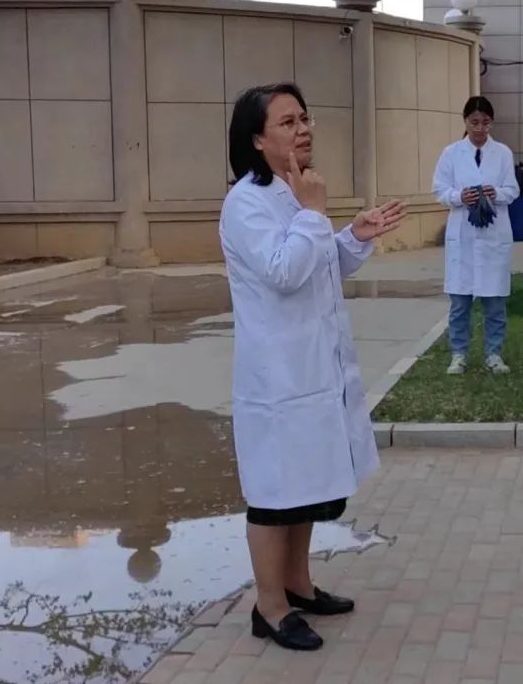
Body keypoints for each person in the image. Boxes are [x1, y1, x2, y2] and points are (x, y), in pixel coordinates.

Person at [219, 82, 407, 650]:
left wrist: (351, 236)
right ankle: (269, 607)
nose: (303, 130)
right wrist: (317, 214)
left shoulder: (294, 192)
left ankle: (298, 585)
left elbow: (318, 267)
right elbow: (283, 272)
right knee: (274, 493)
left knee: (304, 485)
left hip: (313, 367)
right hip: (278, 376)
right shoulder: (246, 203)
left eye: (304, 118)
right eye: (287, 122)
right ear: (257, 140)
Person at [432, 96, 520, 376]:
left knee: (495, 303)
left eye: (485, 123)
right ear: (465, 122)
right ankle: (459, 354)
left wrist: (497, 193)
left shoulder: (503, 153)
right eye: (475, 122)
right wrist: (460, 196)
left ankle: (494, 353)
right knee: (460, 303)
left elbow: (513, 190)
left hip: (493, 236)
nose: (480, 128)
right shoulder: (451, 153)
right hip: (463, 236)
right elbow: (439, 190)